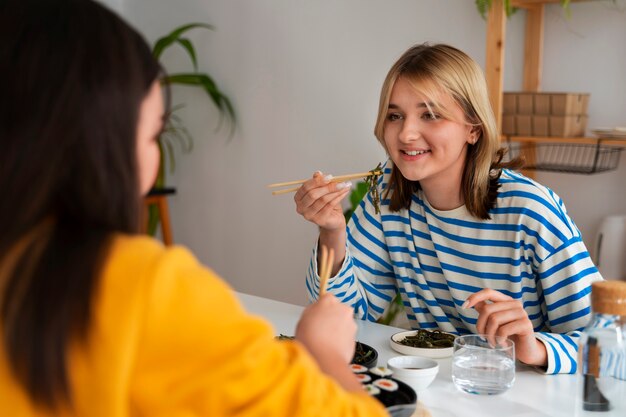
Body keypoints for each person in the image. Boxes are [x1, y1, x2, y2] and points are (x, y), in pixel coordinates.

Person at [0, 1, 389, 416]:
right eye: (153, 136)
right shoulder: (144, 289)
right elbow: (354, 313)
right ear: (101, 145)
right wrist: (325, 354)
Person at [294, 43, 602, 375]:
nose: (407, 133)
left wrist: (535, 347)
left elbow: (613, 347)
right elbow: (342, 317)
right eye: (395, 115)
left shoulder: (530, 210)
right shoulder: (387, 193)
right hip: (437, 389)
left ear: (473, 129)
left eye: (430, 114)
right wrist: (332, 231)